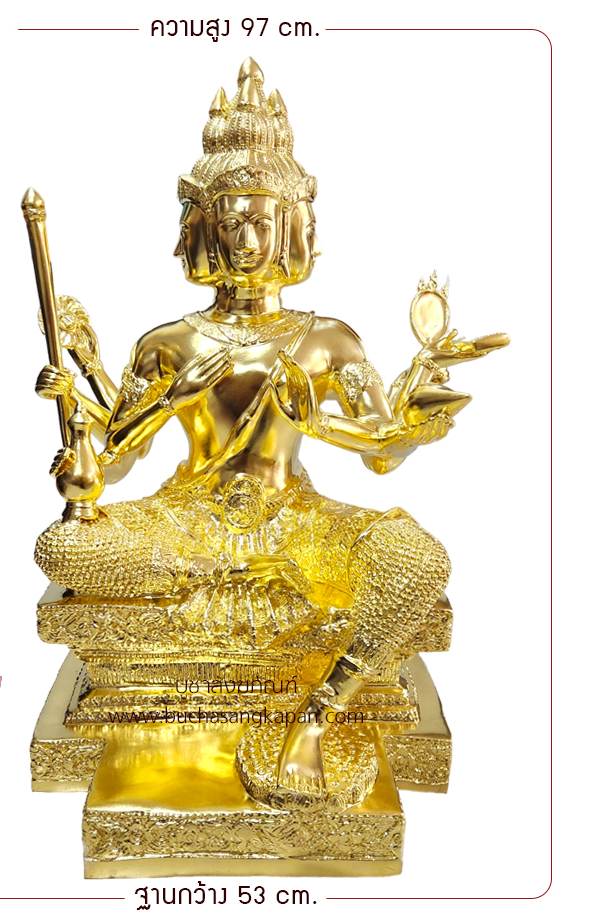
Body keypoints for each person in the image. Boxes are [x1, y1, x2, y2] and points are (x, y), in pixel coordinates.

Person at [34, 58, 506, 800]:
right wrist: (104, 432)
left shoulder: (329, 340)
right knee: (61, 546)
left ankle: (322, 707)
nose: (248, 238)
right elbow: (118, 461)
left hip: (296, 522)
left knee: (417, 559)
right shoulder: (168, 343)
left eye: (262, 219)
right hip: (187, 524)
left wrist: (392, 421)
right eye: (232, 221)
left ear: (291, 225)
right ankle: (214, 617)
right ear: (205, 228)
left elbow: (383, 455)